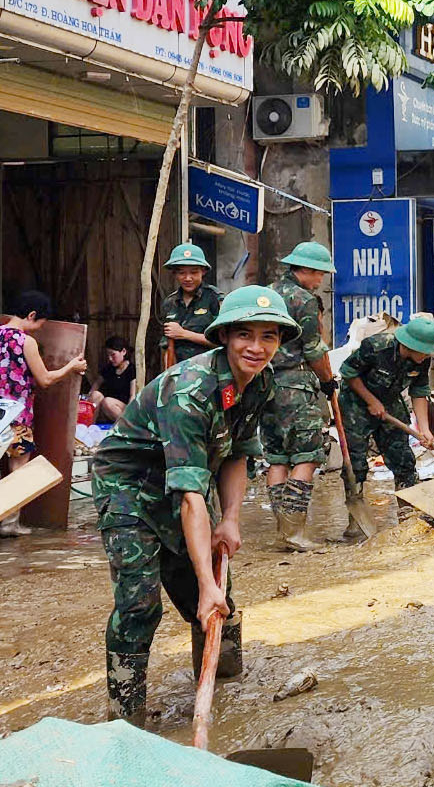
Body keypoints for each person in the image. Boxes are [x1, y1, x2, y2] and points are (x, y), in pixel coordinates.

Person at [92, 286, 295, 727]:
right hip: (130, 489)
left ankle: (224, 690)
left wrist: (231, 519)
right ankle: (126, 720)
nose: (256, 348)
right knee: (141, 603)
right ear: (224, 337)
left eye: (268, 336)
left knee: (219, 603)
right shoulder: (191, 390)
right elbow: (189, 497)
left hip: (183, 483)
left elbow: (238, 451)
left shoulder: (260, 382)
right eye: (245, 335)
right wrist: (205, 580)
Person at [0, 290, 85, 536]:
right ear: (32, 315)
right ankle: (10, 524)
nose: (39, 329)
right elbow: (44, 379)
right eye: (40, 323)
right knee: (18, 467)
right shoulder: (25, 341)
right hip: (15, 418)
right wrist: (71, 366)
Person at [262, 241, 338, 551]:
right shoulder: (304, 300)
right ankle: (295, 534)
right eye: (319, 274)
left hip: (264, 386)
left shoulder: (266, 294)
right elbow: (313, 349)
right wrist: (328, 381)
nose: (320, 281)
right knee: (307, 455)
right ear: (304, 270)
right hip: (296, 385)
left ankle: (284, 531)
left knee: (277, 457)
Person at [340, 318, 434, 492]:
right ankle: (355, 500)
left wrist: (424, 429)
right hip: (355, 401)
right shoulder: (376, 347)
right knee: (355, 457)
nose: (427, 356)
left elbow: (419, 391)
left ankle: (408, 502)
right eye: (424, 352)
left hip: (390, 400)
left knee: (402, 456)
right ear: (410, 346)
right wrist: (372, 402)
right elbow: (348, 373)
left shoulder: (423, 360)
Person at [161, 243, 223, 367]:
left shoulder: (214, 299)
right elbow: (166, 346)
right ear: (175, 274)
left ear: (203, 272)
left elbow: (223, 342)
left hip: (210, 371)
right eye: (182, 273)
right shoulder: (170, 303)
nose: (188, 278)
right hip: (180, 374)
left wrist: (183, 334)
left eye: (194, 272)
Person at [86, 335, 136, 425]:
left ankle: (129, 426)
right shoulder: (109, 368)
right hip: (106, 409)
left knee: (107, 402)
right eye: (108, 355)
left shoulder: (131, 370)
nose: (110, 358)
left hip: (124, 410)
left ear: (123, 352)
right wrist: (90, 397)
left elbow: (133, 396)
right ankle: (89, 427)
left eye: (113, 355)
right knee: (96, 395)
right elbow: (95, 386)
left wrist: (131, 413)